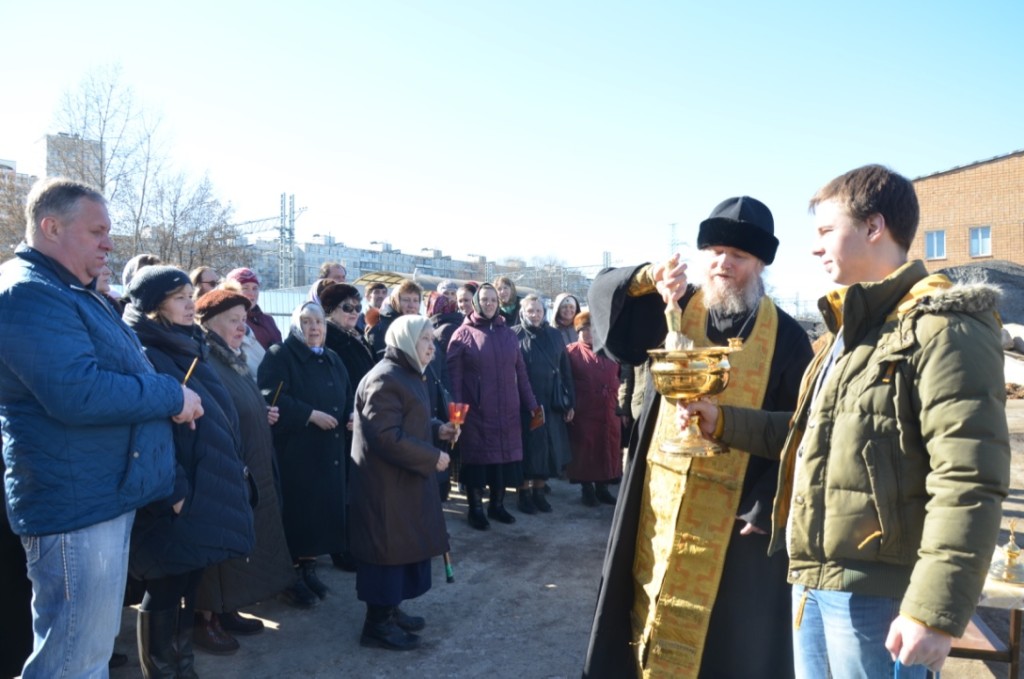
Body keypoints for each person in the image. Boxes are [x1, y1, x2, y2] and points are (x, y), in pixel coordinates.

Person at [680, 166, 1012, 678]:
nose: (815, 248)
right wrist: (720, 421)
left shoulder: (943, 328)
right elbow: (804, 434)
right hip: (814, 581)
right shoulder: (847, 334)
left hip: (880, 597)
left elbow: (968, 478)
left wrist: (933, 609)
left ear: (874, 227)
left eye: (825, 231)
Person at [582, 196, 813, 679]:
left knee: (725, 649)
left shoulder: (787, 337)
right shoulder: (674, 307)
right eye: (716, 252)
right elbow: (605, 302)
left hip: (735, 520)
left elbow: (799, 431)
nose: (724, 263)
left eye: (739, 256)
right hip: (659, 502)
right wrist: (649, 278)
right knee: (644, 613)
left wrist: (767, 501)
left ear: (761, 264)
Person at [0, 178, 201, 679]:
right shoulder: (29, 293)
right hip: (74, 507)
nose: (110, 243)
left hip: (97, 496)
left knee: (84, 656)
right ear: (51, 227)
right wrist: (172, 394)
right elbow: (78, 392)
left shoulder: (69, 290)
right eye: (97, 232)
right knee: (72, 661)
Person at [123, 266, 255, 678]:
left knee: (187, 582)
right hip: (175, 493)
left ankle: (183, 667)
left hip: (201, 484)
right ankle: (162, 671)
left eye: (188, 295)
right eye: (180, 297)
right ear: (154, 307)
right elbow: (147, 432)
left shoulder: (186, 341)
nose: (190, 303)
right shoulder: (146, 350)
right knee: (164, 587)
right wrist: (177, 492)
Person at [192, 290, 302, 650]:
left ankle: (227, 608)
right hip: (224, 468)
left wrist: (261, 411)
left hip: (251, 461)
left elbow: (241, 400)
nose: (242, 328)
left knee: (239, 542)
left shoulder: (232, 356)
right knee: (216, 545)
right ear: (210, 322)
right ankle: (204, 619)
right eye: (233, 320)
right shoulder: (205, 359)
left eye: (244, 320)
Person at [349, 315, 456, 651]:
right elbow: (384, 436)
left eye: (432, 339)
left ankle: (390, 611)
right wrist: (431, 456)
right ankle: (376, 625)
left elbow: (410, 422)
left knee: (400, 550)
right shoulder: (385, 379)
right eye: (425, 339)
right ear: (407, 340)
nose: (432, 346)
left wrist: (438, 428)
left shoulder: (408, 375)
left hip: (402, 483)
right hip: (385, 487)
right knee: (386, 552)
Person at [257, 302, 354, 601]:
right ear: (297, 324)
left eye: (319, 322)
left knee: (321, 511)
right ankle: (291, 575)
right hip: (297, 449)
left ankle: (309, 569)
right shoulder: (279, 355)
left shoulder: (333, 357)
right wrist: (309, 414)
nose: (314, 328)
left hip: (331, 447)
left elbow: (348, 393)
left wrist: (351, 415)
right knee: (300, 512)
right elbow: (271, 398)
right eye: (307, 321)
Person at [447, 283, 542, 529]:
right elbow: (454, 380)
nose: (489, 303)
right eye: (484, 299)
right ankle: (475, 508)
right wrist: (456, 416)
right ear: (477, 302)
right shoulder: (463, 334)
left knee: (501, 461)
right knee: (477, 461)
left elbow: (521, 374)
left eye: (492, 300)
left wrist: (532, 405)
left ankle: (497, 505)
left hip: (507, 410)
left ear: (498, 303)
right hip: (478, 411)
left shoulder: (508, 334)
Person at [320, 282, 375, 571]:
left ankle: (354, 541)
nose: (354, 312)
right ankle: (340, 548)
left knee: (356, 485)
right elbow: (333, 385)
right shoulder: (331, 339)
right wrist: (347, 413)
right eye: (347, 307)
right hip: (345, 421)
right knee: (342, 488)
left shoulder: (354, 335)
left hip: (361, 417)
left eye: (357, 307)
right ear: (330, 310)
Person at [511, 294, 575, 514]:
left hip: (551, 402)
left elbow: (565, 369)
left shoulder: (555, 335)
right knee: (527, 450)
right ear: (523, 313)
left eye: (538, 311)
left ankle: (539, 492)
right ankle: (523, 494)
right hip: (524, 404)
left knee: (547, 450)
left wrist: (570, 403)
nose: (535, 315)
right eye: (531, 311)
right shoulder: (514, 335)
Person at [565, 311, 622, 506]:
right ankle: (587, 489)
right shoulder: (571, 352)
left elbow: (623, 376)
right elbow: (564, 381)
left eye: (592, 329)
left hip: (609, 409)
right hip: (584, 411)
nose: (589, 333)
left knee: (606, 448)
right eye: (584, 330)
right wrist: (569, 405)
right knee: (586, 451)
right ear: (578, 331)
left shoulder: (610, 349)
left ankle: (603, 488)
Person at [226, 267, 282, 351]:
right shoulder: (229, 321)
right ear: (232, 292)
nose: (252, 294)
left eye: (255, 288)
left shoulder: (268, 320)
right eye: (245, 288)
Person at [367, 280, 422, 361]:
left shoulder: (423, 327)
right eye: (406, 300)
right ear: (395, 301)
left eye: (415, 300)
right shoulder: (380, 328)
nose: (411, 305)